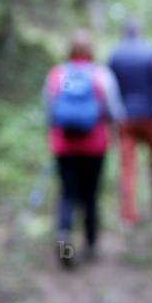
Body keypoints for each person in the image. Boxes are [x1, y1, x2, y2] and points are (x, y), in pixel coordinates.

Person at [44, 30, 125, 268]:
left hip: (63, 145)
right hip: (95, 146)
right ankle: (90, 245)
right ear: (91, 50)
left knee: (68, 194)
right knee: (90, 196)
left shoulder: (57, 74)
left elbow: (49, 111)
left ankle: (65, 237)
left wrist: (53, 136)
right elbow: (115, 111)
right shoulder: (101, 75)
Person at [108, 21, 152, 226]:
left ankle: (128, 215)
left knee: (128, 167)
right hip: (150, 117)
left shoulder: (114, 55)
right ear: (140, 32)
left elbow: (109, 89)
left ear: (123, 33)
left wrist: (109, 118)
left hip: (125, 118)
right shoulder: (150, 52)